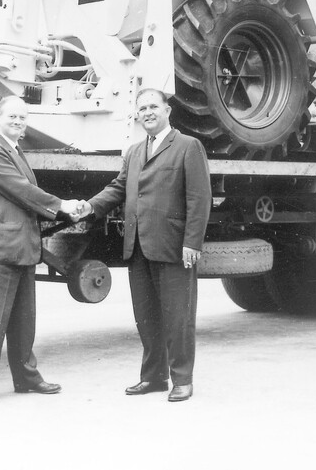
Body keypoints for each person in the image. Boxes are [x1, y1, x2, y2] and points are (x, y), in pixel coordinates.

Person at [80, 88, 211, 402]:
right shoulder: (135, 151)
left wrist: (192, 242)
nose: (148, 112)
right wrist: (89, 206)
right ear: (137, 115)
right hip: (137, 246)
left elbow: (199, 198)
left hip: (173, 246)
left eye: (153, 106)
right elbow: (118, 187)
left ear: (167, 110)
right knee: (146, 316)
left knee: (178, 316)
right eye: (142, 108)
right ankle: (153, 378)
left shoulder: (188, 146)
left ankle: (182, 379)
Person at [0, 95, 81, 408]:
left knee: (23, 322)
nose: (17, 122)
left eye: (22, 118)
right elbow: (21, 191)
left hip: (21, 248)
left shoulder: (14, 151)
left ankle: (26, 377)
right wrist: (62, 206)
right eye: (12, 117)